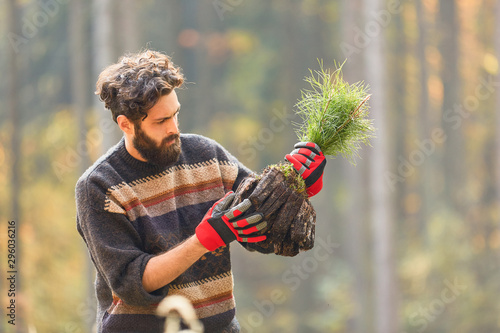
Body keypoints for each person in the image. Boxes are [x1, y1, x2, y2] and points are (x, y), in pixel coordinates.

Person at [75, 49, 325, 333]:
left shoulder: (208, 155)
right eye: (161, 121)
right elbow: (132, 283)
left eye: (175, 115)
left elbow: (264, 220)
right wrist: (205, 239)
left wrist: (299, 186)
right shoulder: (99, 186)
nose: (174, 129)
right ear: (125, 124)